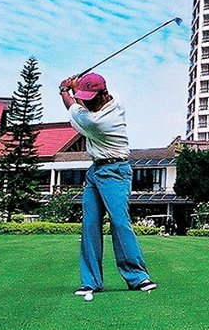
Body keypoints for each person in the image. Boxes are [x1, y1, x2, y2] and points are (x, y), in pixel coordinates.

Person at [59, 73, 157, 299]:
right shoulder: (114, 98)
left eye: (93, 97)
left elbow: (74, 107)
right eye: (87, 97)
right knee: (90, 224)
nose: (89, 101)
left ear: (104, 94)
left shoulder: (99, 121)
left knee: (120, 223)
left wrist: (65, 89)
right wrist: (78, 87)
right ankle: (90, 282)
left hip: (115, 171)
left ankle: (138, 277)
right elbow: (82, 104)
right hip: (95, 171)